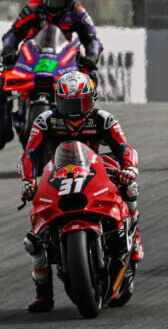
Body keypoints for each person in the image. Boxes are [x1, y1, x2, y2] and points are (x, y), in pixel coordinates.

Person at [18, 71, 142, 312]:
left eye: (80, 103)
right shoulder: (45, 120)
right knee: (34, 241)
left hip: (96, 168)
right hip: (57, 172)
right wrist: (29, 180)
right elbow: (30, 154)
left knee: (129, 187)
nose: (74, 110)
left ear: (92, 100)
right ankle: (44, 295)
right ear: (57, 101)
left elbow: (124, 148)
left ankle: (134, 239)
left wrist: (129, 169)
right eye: (67, 103)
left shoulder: (104, 119)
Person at [0, 0, 104, 150]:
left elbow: (92, 38)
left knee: (91, 80)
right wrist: (8, 51)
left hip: (65, 59)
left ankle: (87, 130)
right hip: (32, 57)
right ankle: (4, 131)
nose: (52, 2)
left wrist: (91, 57)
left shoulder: (78, 12)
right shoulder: (34, 7)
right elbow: (13, 33)